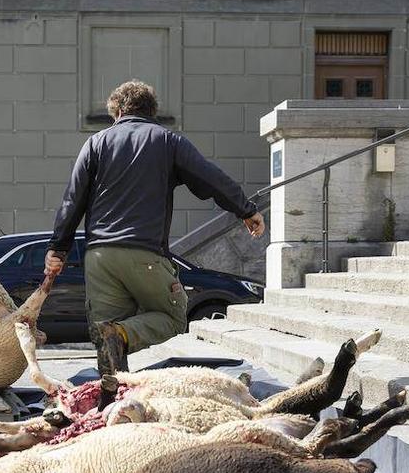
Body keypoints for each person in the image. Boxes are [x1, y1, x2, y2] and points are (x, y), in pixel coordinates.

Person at [45, 79, 266, 376]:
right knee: (172, 318)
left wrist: (58, 248)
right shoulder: (167, 141)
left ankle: (111, 403)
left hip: (99, 258)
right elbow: (210, 177)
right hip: (144, 254)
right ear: (151, 112)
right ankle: (121, 335)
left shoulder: (95, 143)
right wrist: (245, 209)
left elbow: (73, 199)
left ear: (119, 111)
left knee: (105, 338)